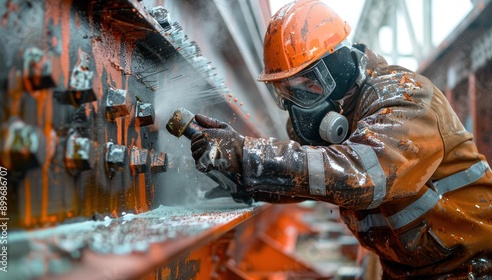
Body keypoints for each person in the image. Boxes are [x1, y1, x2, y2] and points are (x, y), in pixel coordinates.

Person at [188, 0, 492, 278]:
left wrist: (247, 155)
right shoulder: (342, 114)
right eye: (288, 92)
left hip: (473, 268)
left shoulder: (405, 97)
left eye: (308, 85)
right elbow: (315, 176)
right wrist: (250, 183)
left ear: (339, 67)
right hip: (412, 271)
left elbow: (358, 176)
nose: (299, 103)